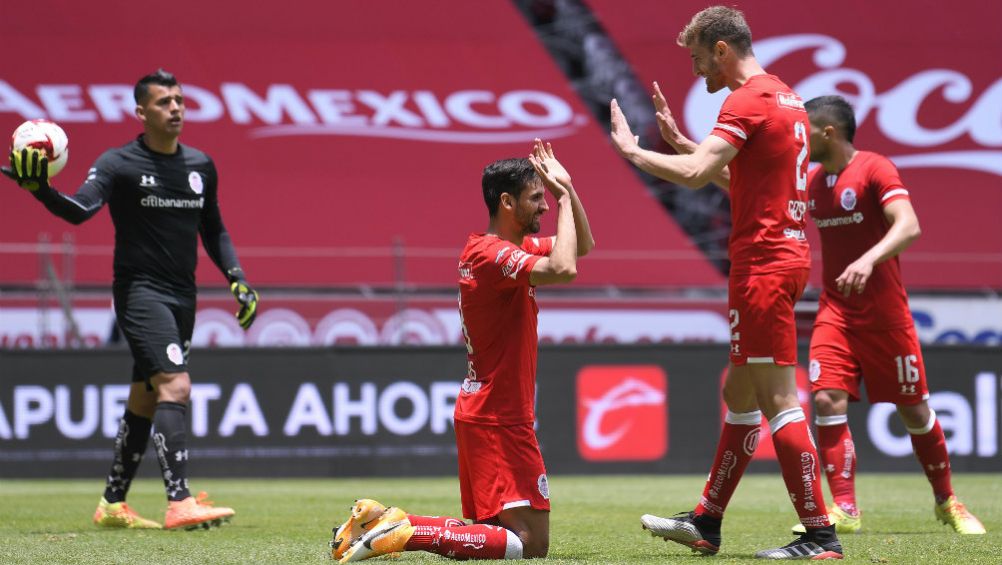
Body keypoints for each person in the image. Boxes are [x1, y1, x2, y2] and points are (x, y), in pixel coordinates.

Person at [608, 6, 844, 560]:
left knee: (777, 398)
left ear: (721, 49)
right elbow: (740, 178)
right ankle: (706, 522)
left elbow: (694, 180)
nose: (697, 73)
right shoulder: (785, 96)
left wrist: (632, 152)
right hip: (779, 256)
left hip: (764, 263)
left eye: (697, 59)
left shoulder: (747, 100)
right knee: (738, 394)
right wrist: (687, 144)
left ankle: (820, 535)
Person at [2, 69, 259, 530]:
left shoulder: (200, 165)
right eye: (164, 102)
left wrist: (237, 279)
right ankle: (179, 501)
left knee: (144, 398)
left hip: (184, 296)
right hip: (141, 293)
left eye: (179, 99)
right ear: (141, 113)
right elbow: (80, 210)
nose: (175, 108)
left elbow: (214, 229)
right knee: (175, 386)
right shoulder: (119, 163)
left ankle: (112, 504)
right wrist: (41, 190)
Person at [329, 139, 595, 562]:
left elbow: (581, 245)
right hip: (500, 416)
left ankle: (383, 520)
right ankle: (408, 531)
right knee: (531, 544)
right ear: (507, 202)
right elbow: (565, 268)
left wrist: (569, 189)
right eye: (536, 198)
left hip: (487, 410)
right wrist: (562, 195)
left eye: (546, 198)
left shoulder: (502, 250)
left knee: (495, 535)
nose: (544, 207)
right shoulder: (493, 255)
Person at [782, 95, 985, 536]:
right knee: (825, 399)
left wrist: (868, 259)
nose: (801, 138)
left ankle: (947, 500)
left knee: (914, 412)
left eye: (806, 130)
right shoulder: (813, 181)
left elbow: (908, 224)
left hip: (886, 315)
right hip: (836, 311)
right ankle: (846, 509)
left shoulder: (875, 168)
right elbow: (754, 191)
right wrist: (689, 153)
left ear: (828, 132)